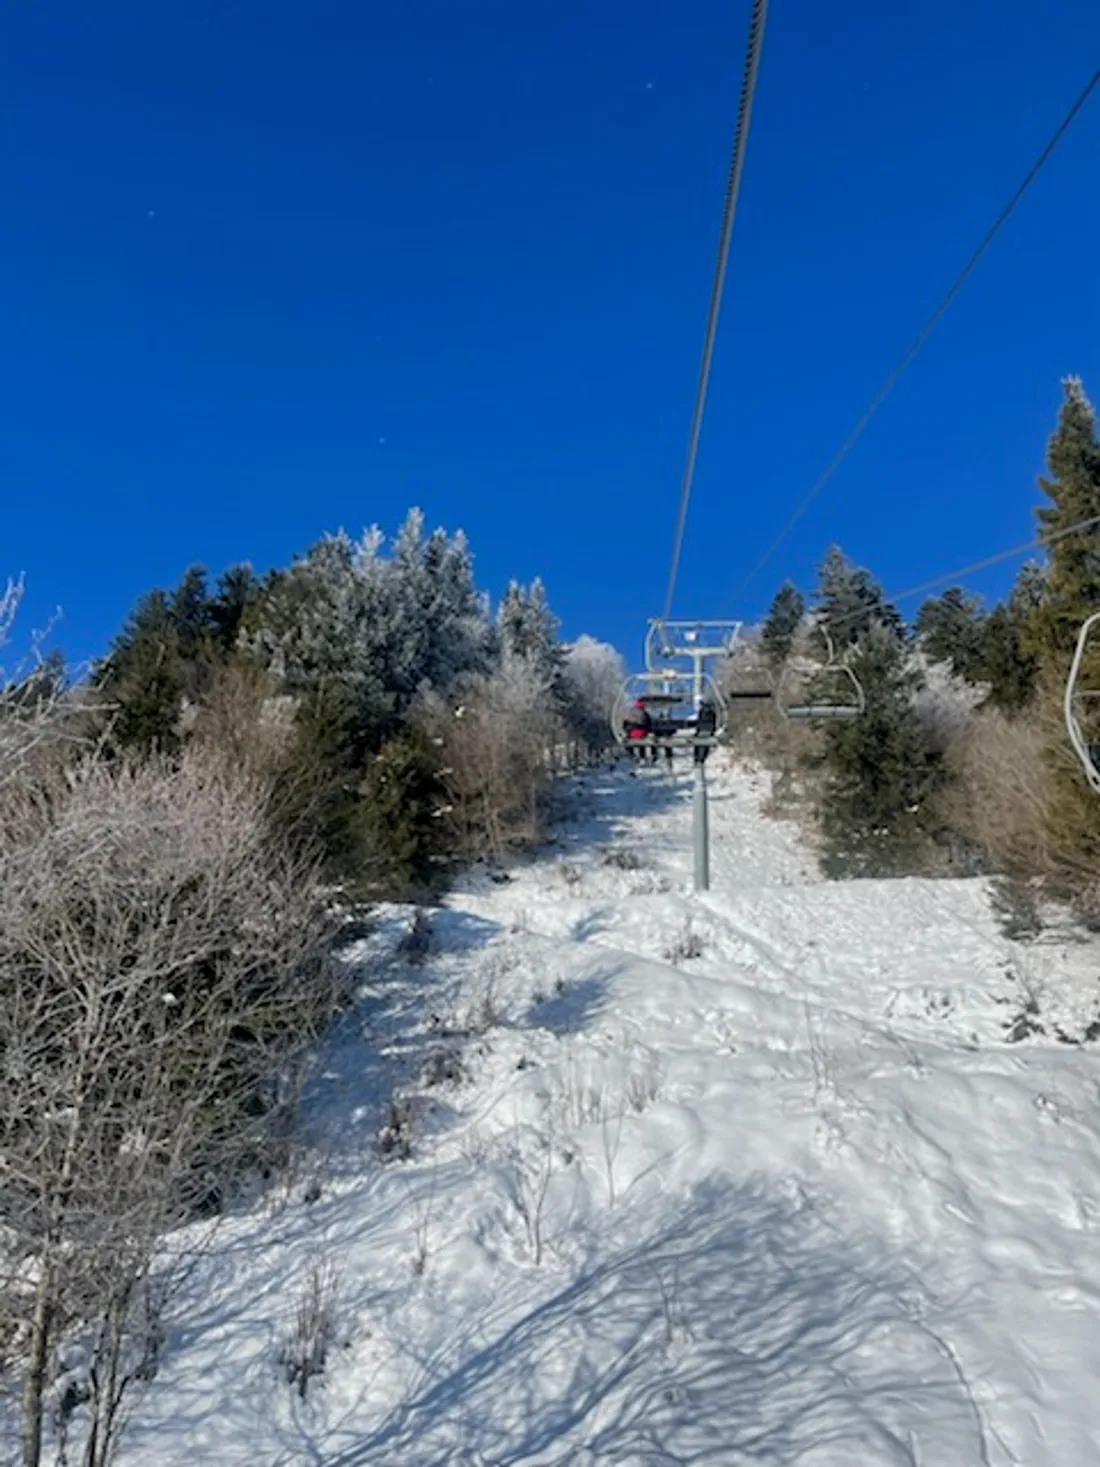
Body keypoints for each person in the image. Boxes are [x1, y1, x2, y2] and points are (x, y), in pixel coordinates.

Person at [693, 697, 717, 766]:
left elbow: (699, 722)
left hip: (702, 730)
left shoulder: (701, 711)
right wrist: (712, 732)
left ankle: (698, 759)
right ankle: (701, 759)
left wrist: (697, 731)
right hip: (708, 730)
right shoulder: (712, 713)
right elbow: (714, 722)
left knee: (699, 745)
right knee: (705, 746)